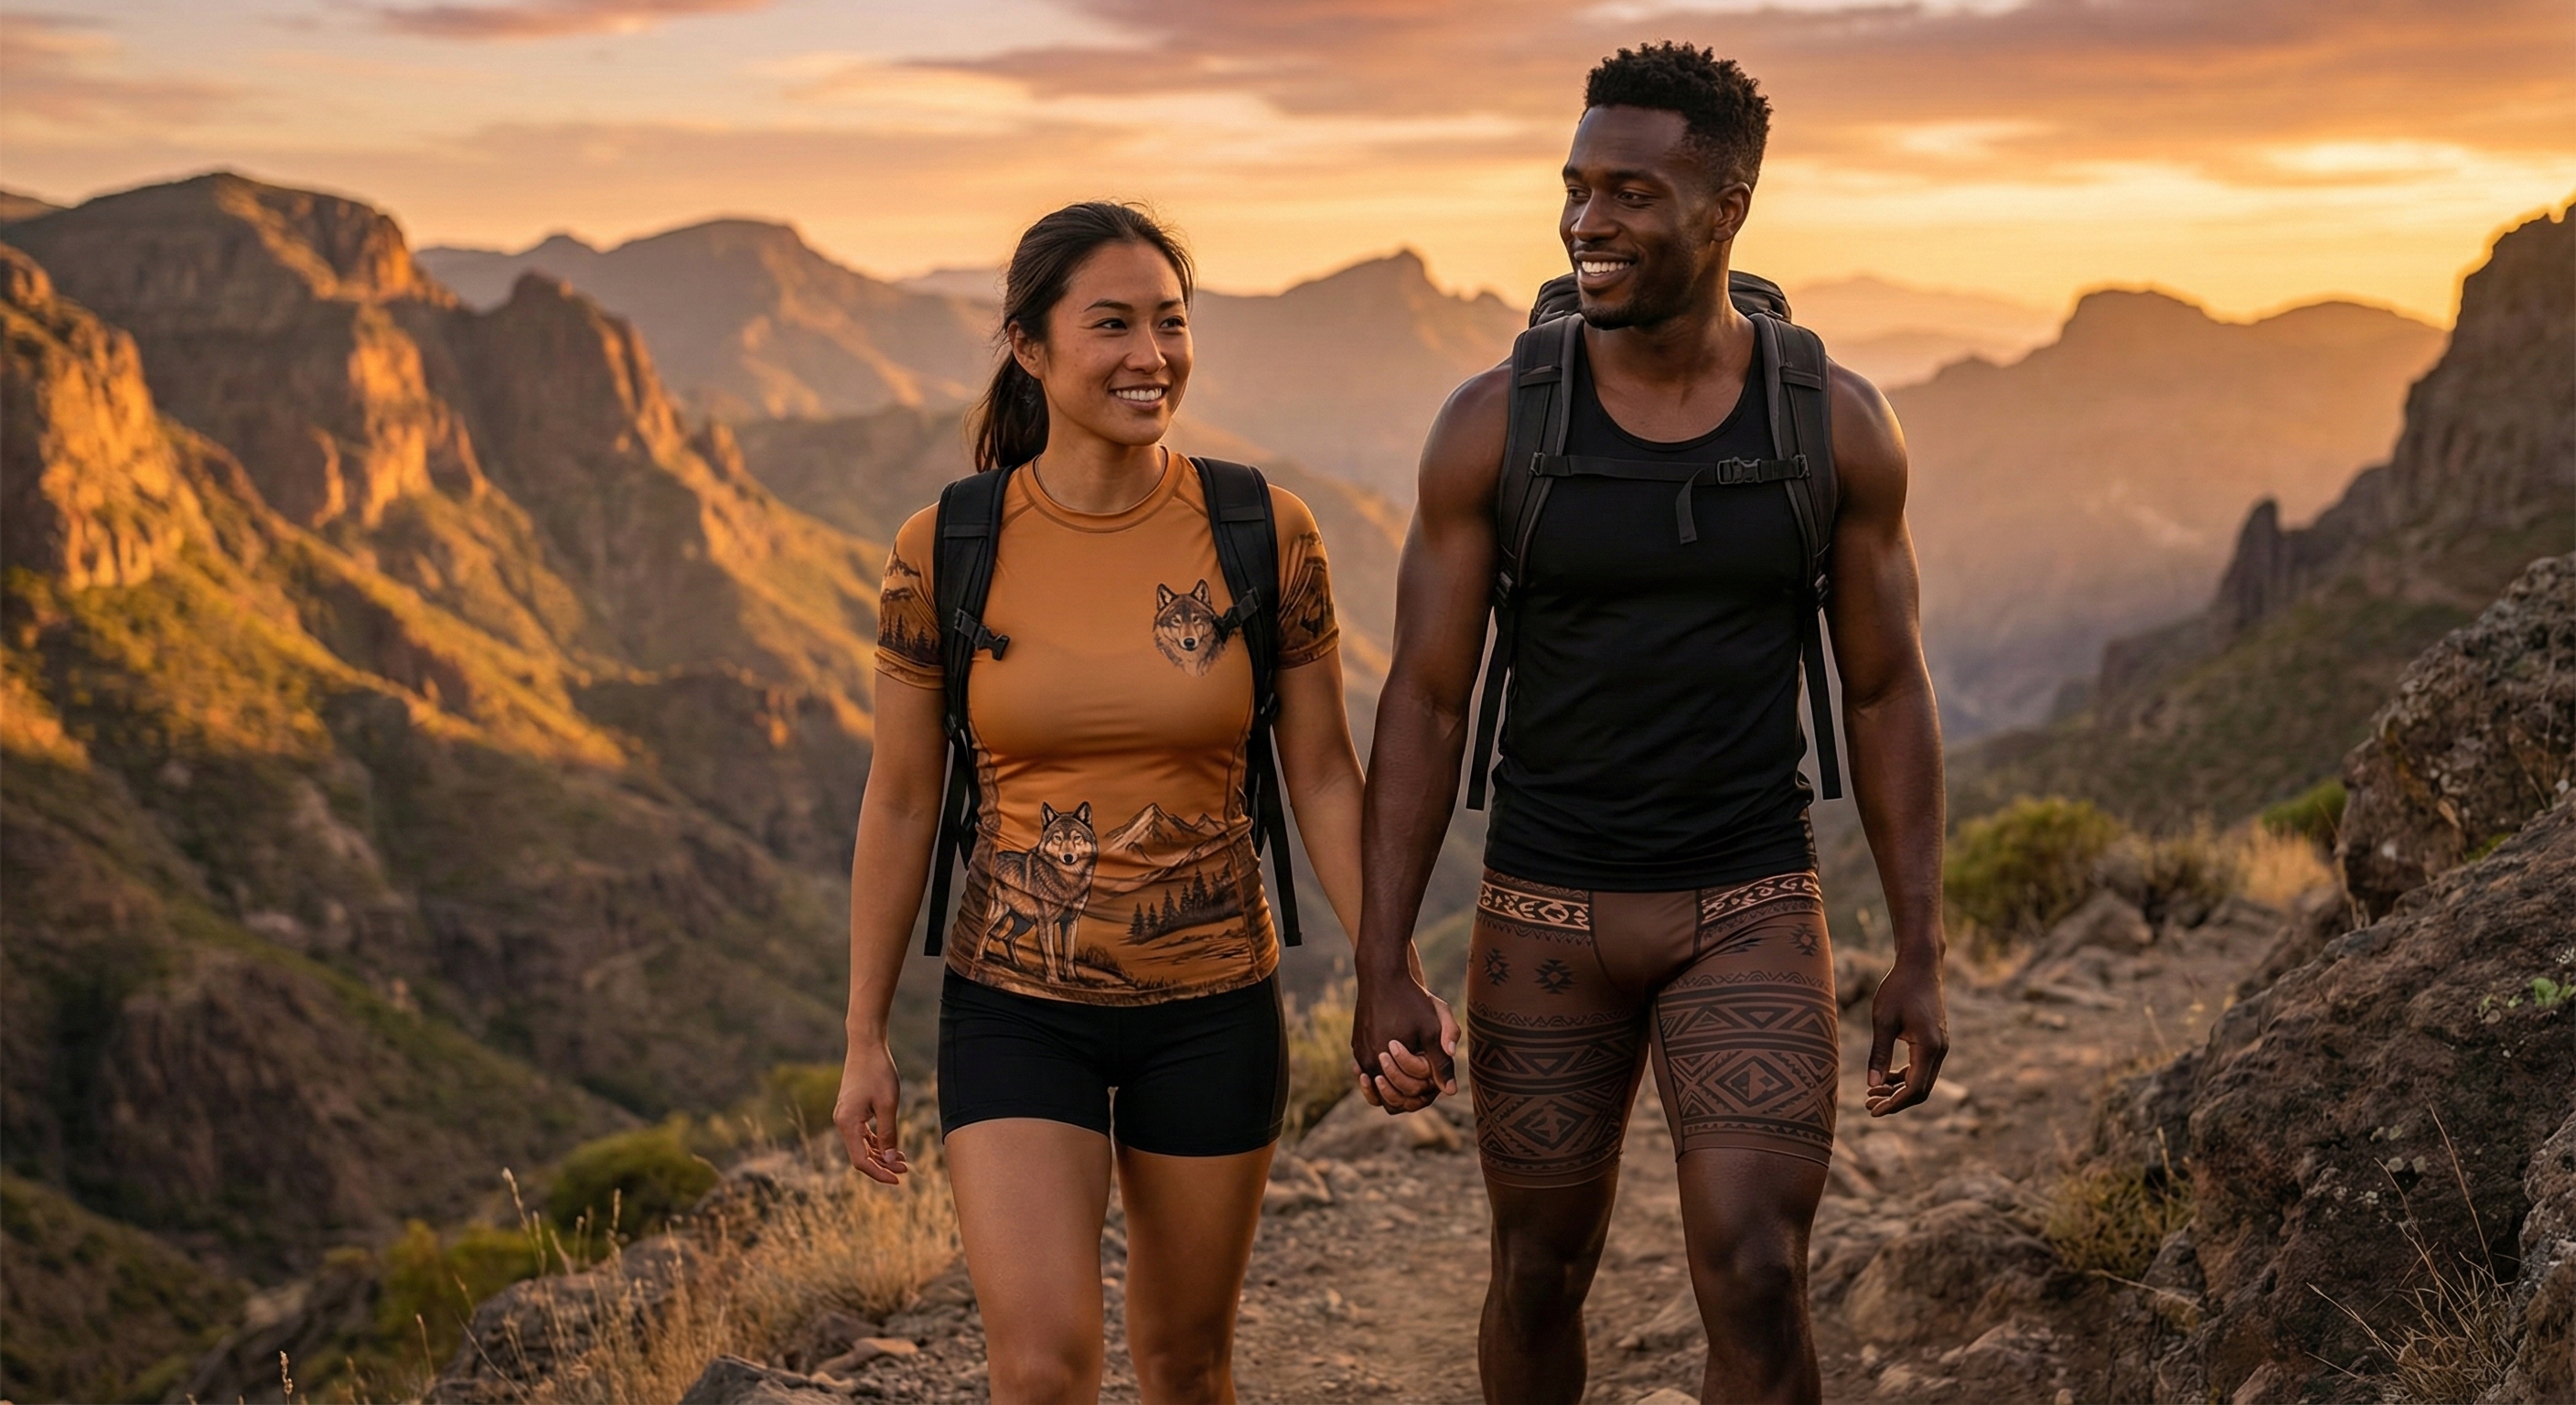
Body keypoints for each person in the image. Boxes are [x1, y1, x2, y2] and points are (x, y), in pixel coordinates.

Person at [1349, 43, 1952, 1405]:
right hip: (1544, 908)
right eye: (1576, 187)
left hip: (1749, 901)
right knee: (1537, 1270)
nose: (1587, 221)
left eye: (1630, 192)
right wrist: (1383, 958)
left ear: (1726, 208)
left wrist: (1921, 947)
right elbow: (1427, 699)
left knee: (1757, 1273)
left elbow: (1885, 688)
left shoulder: (1835, 425)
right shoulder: (1492, 425)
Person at [832, 200, 1454, 1405]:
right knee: (1042, 1370)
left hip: (1213, 1010)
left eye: (1170, 322)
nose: (1150, 355)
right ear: (1029, 346)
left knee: (1185, 1366)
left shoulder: (1264, 532)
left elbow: (1324, 774)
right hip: (1012, 1008)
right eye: (1111, 324)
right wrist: (865, 1038)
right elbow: (902, 802)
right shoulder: (943, 548)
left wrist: (1393, 967)